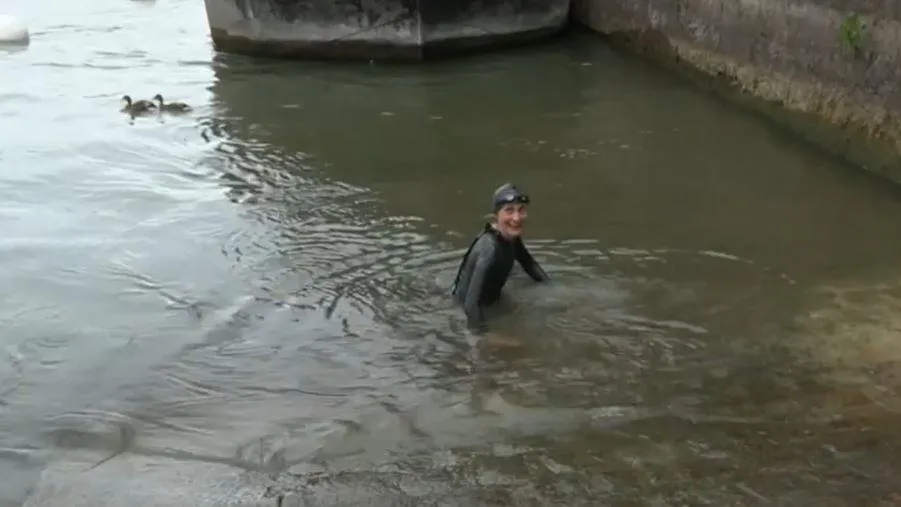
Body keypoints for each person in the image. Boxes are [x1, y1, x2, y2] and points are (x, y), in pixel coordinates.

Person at [451, 183, 550, 333]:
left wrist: (554, 290)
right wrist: (484, 339)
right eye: (509, 211)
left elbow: (530, 265)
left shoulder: (510, 238)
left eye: (521, 210)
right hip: (468, 312)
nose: (516, 218)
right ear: (496, 216)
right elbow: (470, 305)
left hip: (494, 303)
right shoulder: (489, 248)